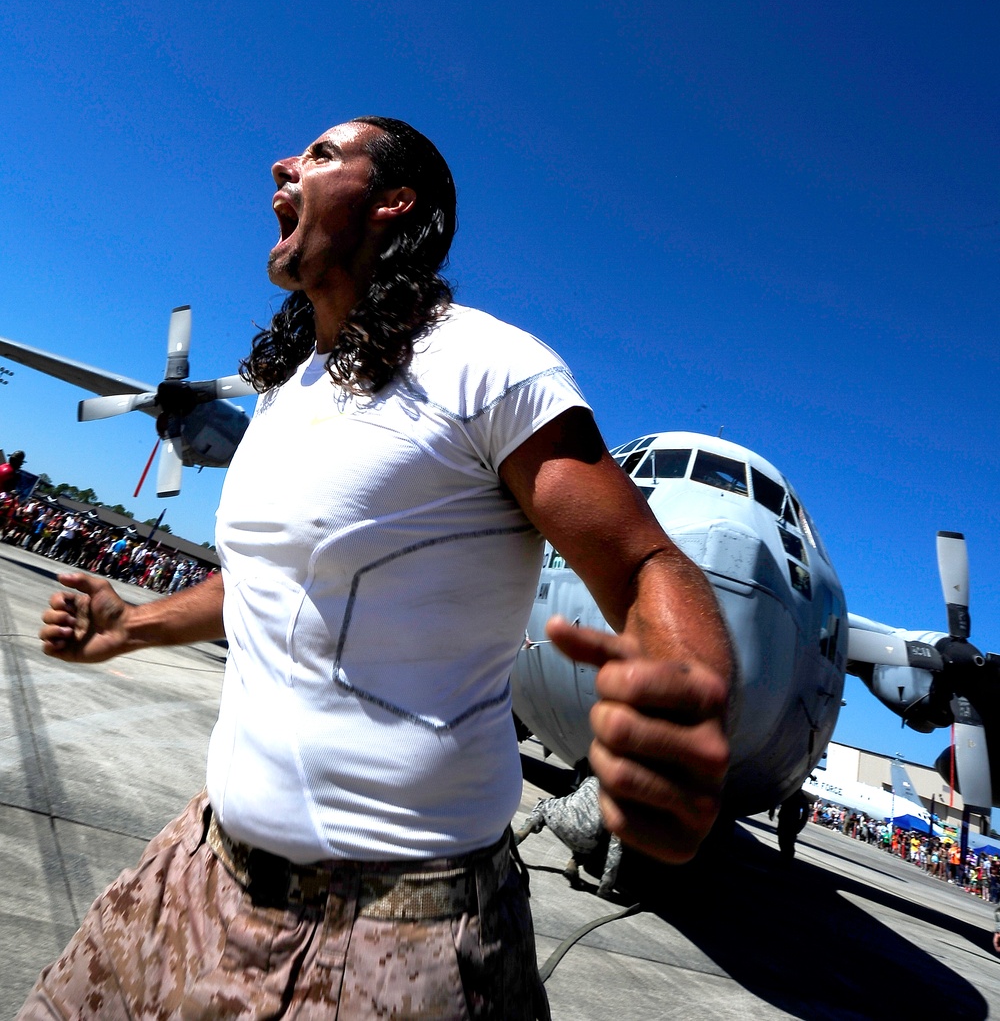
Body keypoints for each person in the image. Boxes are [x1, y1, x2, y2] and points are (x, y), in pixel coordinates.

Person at [21, 117, 733, 1020]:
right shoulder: (286, 395)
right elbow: (268, 586)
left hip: (396, 934)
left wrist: (684, 709)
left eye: (322, 154)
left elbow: (643, 563)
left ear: (395, 202)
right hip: (202, 863)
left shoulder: (490, 368)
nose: (284, 163)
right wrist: (133, 625)